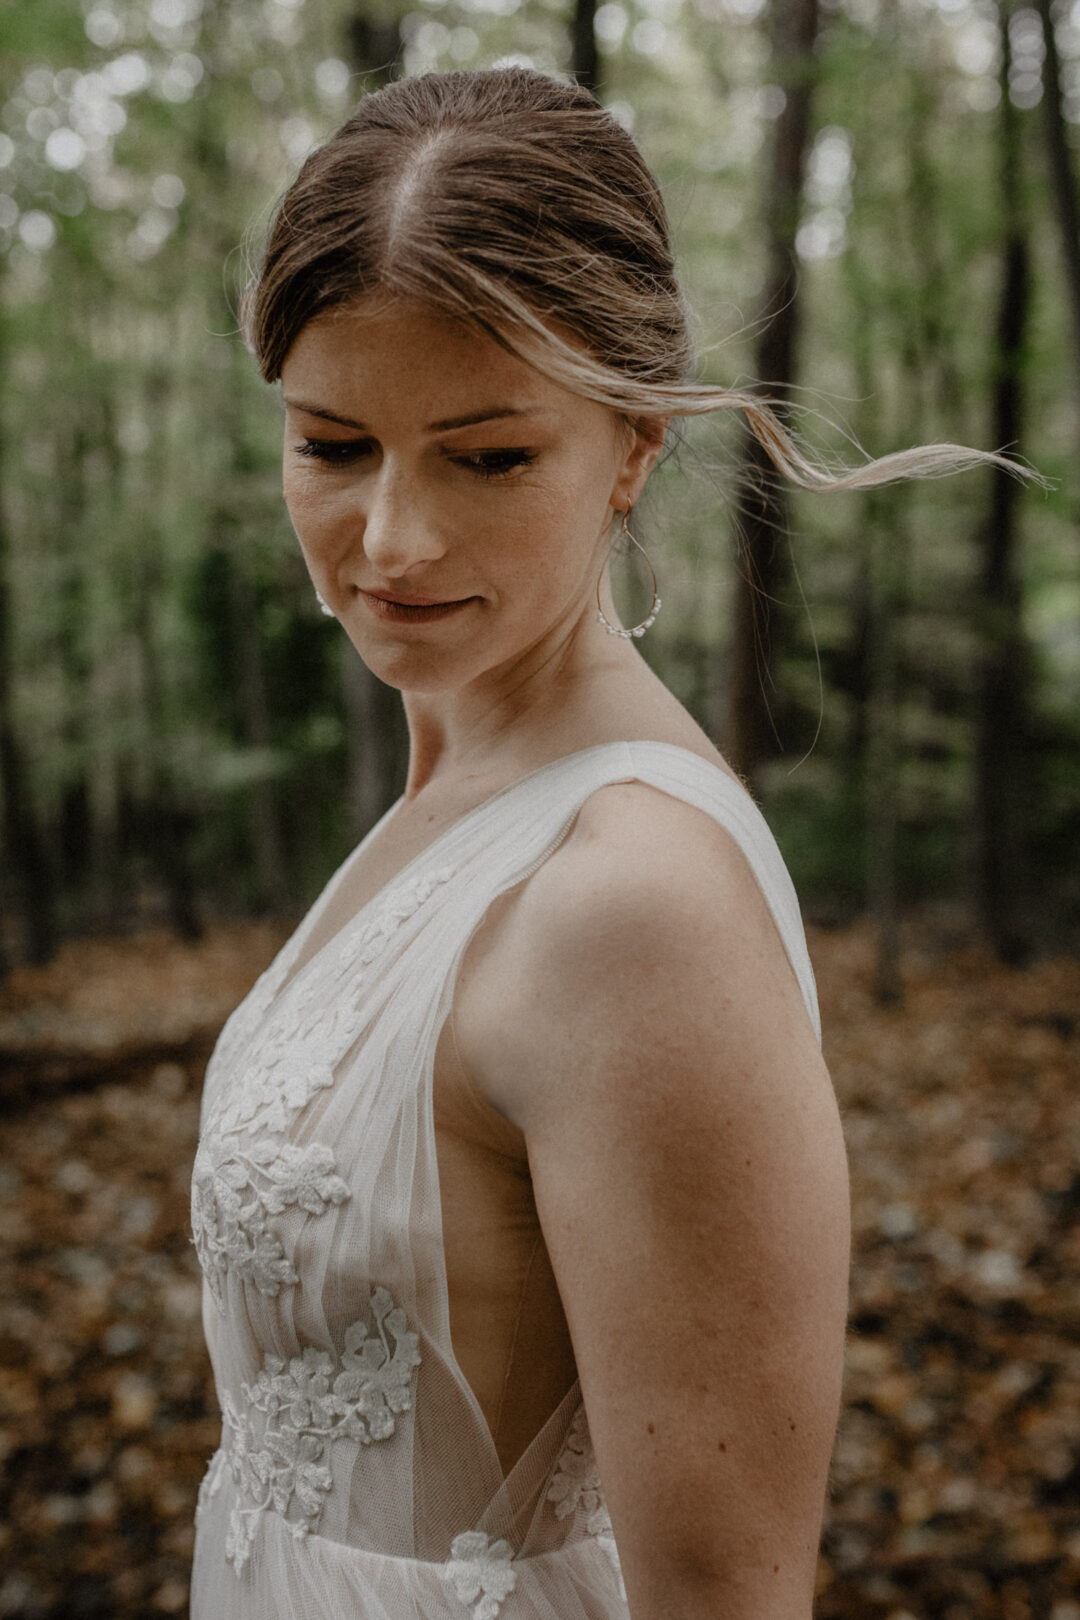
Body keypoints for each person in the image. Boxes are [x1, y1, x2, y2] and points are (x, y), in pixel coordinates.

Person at [188, 67, 1020, 1620]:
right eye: (333, 445)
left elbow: (727, 1594)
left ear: (632, 447)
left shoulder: (629, 905)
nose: (392, 540)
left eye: (488, 456)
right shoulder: (456, 791)